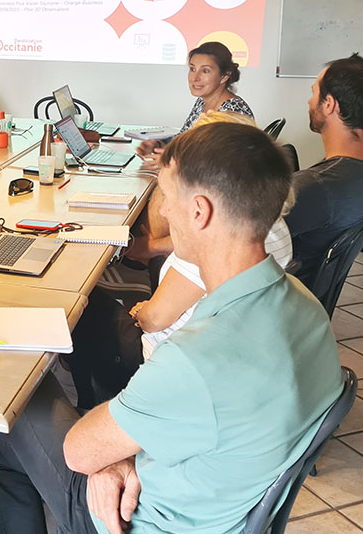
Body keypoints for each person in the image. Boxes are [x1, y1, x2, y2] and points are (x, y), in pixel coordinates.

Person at [0, 123, 341, 534]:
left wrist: (110, 460)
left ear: (199, 211)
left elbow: (79, 453)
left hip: (139, 529)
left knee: (3, 414)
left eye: (166, 197)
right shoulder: (308, 310)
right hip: (219, 505)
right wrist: (128, 456)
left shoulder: (197, 359)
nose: (165, 214)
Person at [64, 111, 294, 410]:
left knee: (82, 297)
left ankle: (85, 393)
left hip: (159, 368)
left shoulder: (212, 249)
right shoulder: (267, 225)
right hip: (212, 356)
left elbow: (154, 319)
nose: (165, 211)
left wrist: (143, 309)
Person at [285, 53, 363, 290]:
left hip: (280, 301)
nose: (310, 102)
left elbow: (238, 239)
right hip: (310, 303)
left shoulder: (316, 186)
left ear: (329, 104)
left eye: (314, 93)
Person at [135, 41, 254, 163]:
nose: (195, 77)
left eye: (205, 71)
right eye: (192, 69)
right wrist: (158, 147)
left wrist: (171, 161)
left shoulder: (233, 111)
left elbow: (218, 165)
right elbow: (185, 142)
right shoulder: (202, 102)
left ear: (224, 76)